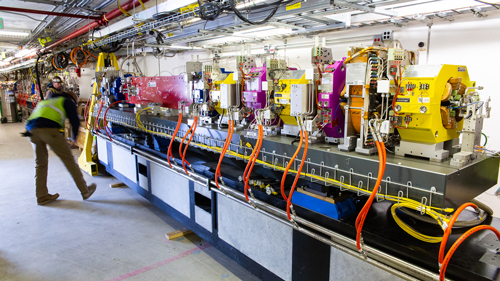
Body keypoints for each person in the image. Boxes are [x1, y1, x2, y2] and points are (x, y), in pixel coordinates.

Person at [25, 76, 96, 205]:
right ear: (73, 99)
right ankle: (85, 191)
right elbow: (74, 121)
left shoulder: (47, 101)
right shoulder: (67, 101)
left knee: (40, 164)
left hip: (31, 130)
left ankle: (41, 196)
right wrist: (74, 138)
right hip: (48, 129)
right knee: (69, 160)